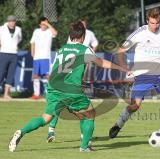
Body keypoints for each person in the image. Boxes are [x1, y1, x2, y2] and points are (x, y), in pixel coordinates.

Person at [9, 21, 131, 152]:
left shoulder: (62, 49)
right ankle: (84, 147)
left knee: (45, 118)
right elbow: (100, 62)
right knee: (89, 114)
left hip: (53, 87)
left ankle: (21, 132)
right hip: (71, 89)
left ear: (70, 35)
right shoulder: (84, 49)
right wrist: (121, 68)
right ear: (83, 36)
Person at [108, 8, 160, 146]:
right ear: (147, 21)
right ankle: (118, 124)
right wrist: (125, 68)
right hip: (142, 74)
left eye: (157, 23)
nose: (155, 26)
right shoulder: (139, 33)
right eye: (152, 23)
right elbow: (120, 51)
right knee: (134, 106)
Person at [46, 19, 99, 142]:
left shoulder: (73, 41)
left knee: (56, 108)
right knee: (85, 112)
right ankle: (84, 141)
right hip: (70, 81)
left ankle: (51, 131)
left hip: (61, 80)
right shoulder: (79, 43)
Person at [30, 17, 58, 99]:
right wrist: (32, 53)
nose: (44, 26)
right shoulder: (36, 31)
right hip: (36, 57)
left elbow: (55, 33)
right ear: (39, 24)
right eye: (42, 24)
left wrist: (48, 24)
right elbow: (32, 42)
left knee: (46, 75)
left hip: (45, 57)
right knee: (36, 75)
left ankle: (48, 93)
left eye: (45, 24)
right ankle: (36, 94)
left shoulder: (49, 31)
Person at [0, 15, 22, 99]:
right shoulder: (1, 28)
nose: (12, 22)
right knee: (1, 73)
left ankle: (6, 94)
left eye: (13, 21)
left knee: (10, 74)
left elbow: (19, 39)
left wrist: (14, 46)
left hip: (14, 54)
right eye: (10, 21)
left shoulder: (19, 29)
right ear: (7, 21)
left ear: (15, 21)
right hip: (3, 53)